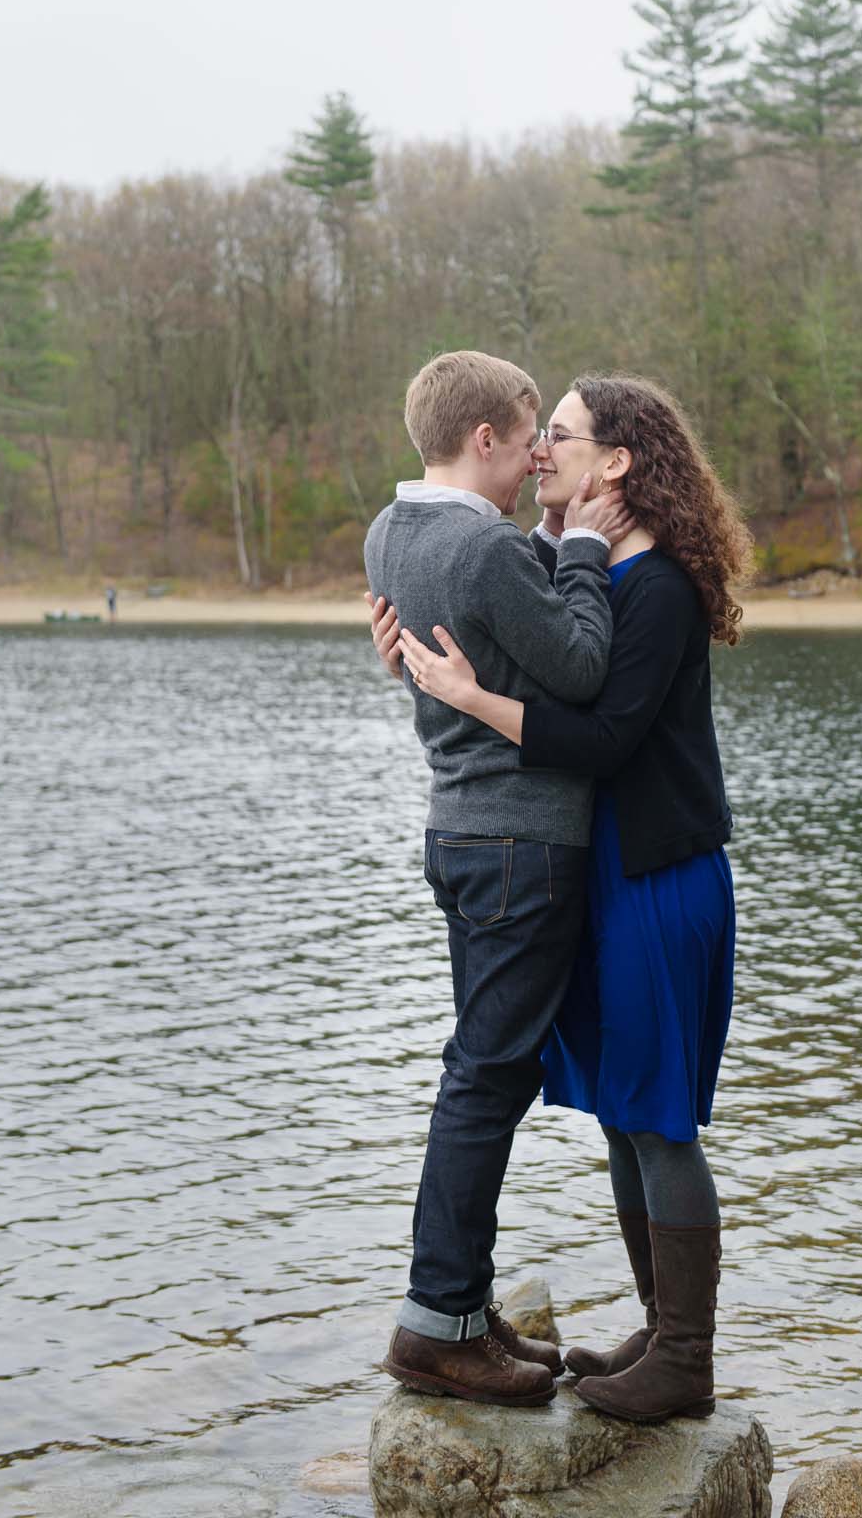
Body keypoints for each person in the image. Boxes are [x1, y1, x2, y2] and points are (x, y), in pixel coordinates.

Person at [386, 373, 753, 1426]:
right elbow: (527, 643)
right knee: (627, 1121)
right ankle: (657, 1327)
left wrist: (468, 697)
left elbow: (598, 738)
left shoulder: (663, 587)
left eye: (561, 435)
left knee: (661, 1120)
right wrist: (424, 669)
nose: (542, 450)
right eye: (538, 434)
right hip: (607, 876)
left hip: (658, 879)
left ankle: (685, 1358)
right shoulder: (584, 567)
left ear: (620, 460)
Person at [362, 350, 630, 1408]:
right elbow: (576, 667)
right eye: (528, 441)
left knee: (485, 1067)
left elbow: (444, 661)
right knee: (485, 1074)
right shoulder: (486, 551)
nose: (536, 462)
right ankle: (437, 1320)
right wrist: (585, 547)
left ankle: (460, 1307)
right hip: (522, 840)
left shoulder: (392, 531)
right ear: (484, 439)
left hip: (459, 832)